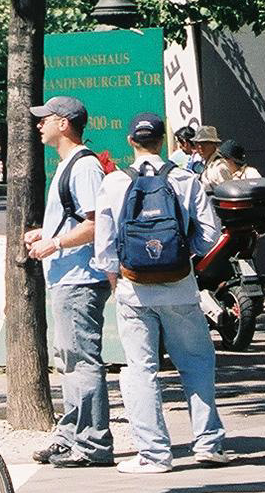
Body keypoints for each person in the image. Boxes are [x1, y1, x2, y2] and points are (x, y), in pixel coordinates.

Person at [94, 112, 234, 473]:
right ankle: (208, 444)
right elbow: (209, 236)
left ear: (131, 141)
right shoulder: (186, 179)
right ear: (164, 141)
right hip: (180, 288)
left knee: (141, 370)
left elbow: (105, 249)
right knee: (198, 363)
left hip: (134, 291)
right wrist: (183, 258)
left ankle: (154, 455)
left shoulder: (113, 183)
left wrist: (118, 279)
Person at [23, 95, 114, 468]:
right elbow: (76, 218)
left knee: (81, 361)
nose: (39, 124)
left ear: (64, 123)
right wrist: (44, 233)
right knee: (70, 362)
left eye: (45, 118)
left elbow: (96, 224)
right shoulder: (67, 166)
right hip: (67, 278)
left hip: (80, 279)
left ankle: (92, 444)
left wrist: (54, 243)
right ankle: (70, 437)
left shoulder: (83, 167)